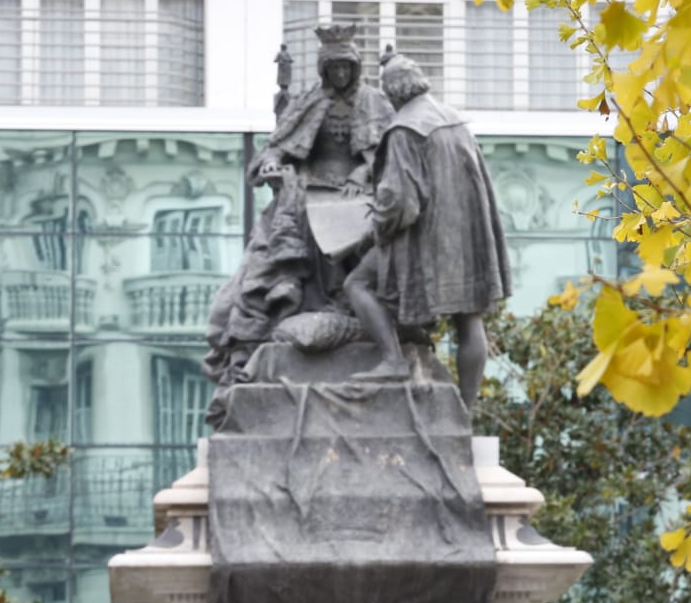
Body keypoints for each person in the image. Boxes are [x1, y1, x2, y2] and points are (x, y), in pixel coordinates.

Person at [204, 24, 395, 416]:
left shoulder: (375, 103)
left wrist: (363, 174)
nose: (340, 74)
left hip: (359, 192)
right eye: (334, 68)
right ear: (325, 70)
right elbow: (278, 148)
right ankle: (303, 301)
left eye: (346, 67)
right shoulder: (309, 102)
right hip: (309, 189)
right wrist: (275, 164)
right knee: (297, 223)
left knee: (359, 227)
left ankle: (348, 303)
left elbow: (391, 156)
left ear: (355, 68)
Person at [343, 49, 511, 407]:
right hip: (466, 240)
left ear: (392, 93)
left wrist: (372, 231)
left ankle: (392, 361)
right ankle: (465, 410)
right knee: (469, 320)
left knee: (357, 283)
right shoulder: (453, 119)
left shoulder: (405, 128)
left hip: (425, 243)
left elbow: (400, 202)